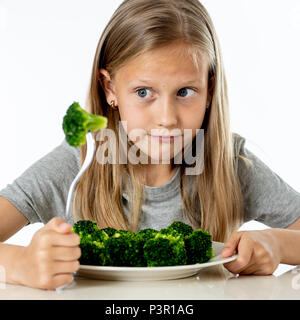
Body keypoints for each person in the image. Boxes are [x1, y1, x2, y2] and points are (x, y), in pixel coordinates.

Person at [0, 0, 300, 291]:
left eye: (185, 91)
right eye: (144, 92)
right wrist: (21, 264)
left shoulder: (230, 164)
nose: (167, 118)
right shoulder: (77, 162)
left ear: (209, 90)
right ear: (110, 89)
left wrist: (277, 243)